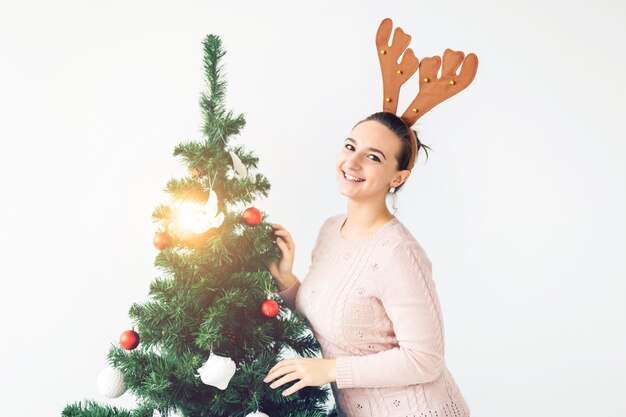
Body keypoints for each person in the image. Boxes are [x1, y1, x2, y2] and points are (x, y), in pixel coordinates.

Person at [263, 111, 471, 417]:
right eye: (350, 147)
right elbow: (330, 323)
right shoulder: (330, 230)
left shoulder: (399, 253)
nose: (352, 163)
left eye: (373, 157)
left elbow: (425, 359)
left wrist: (330, 370)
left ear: (398, 177)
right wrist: (287, 281)